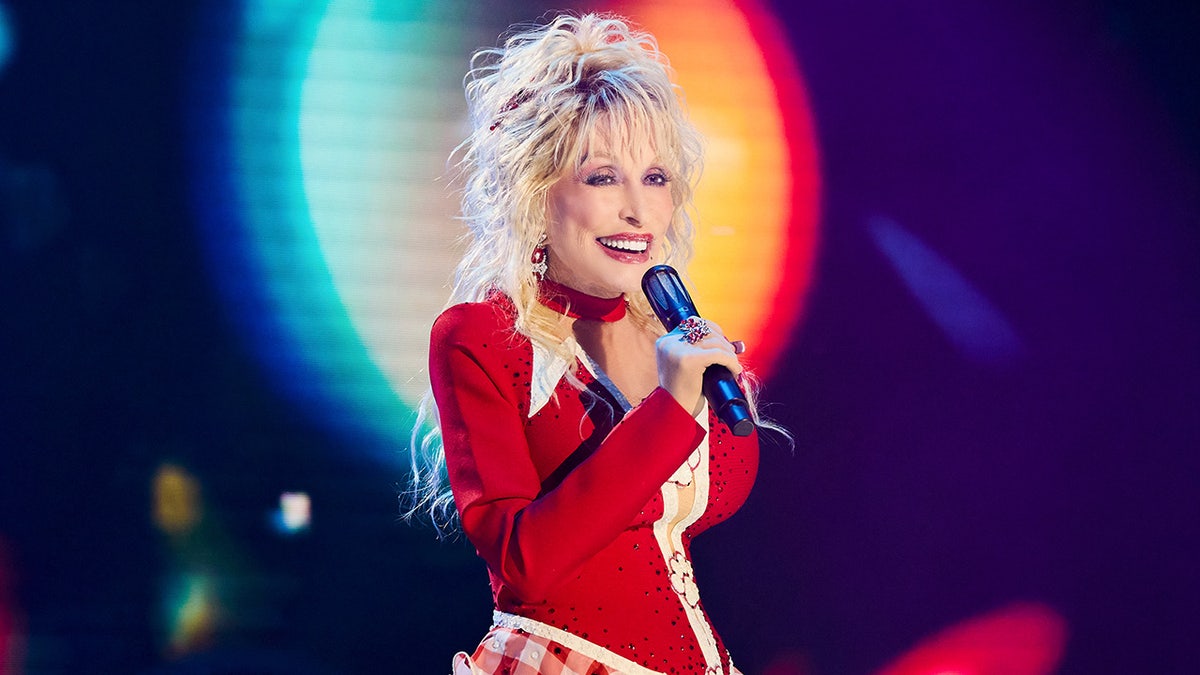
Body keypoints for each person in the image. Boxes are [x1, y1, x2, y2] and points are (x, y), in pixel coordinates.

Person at [407, 13, 767, 675]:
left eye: (655, 178)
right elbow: (525, 559)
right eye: (603, 178)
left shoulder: (675, 335)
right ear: (538, 195)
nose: (638, 211)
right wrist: (670, 405)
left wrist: (715, 396)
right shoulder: (481, 337)